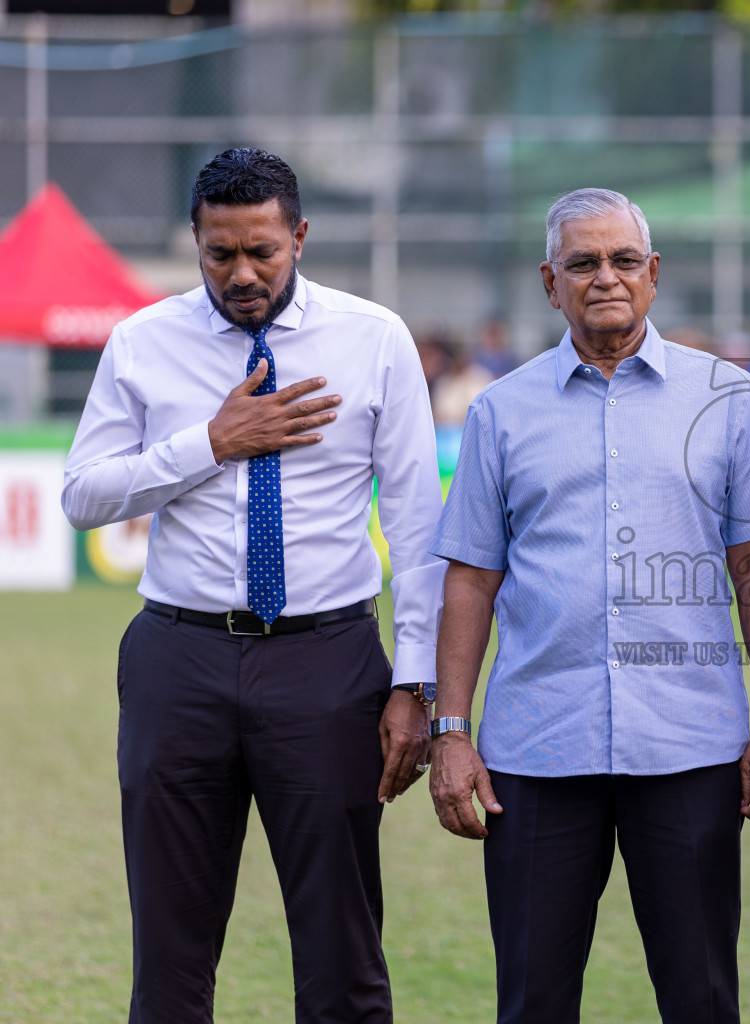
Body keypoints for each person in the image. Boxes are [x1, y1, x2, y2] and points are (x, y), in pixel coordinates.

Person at [61, 148, 445, 1023]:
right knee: (170, 955)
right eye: (219, 253)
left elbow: (422, 528)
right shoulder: (142, 341)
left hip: (329, 662)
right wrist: (211, 441)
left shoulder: (373, 338)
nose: (242, 273)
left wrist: (414, 685)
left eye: (262, 252)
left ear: (299, 236)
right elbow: (84, 494)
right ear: (194, 241)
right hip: (178, 661)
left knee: (343, 953)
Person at [427, 187, 750, 1024]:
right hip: (535, 756)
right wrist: (451, 733)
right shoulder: (500, 410)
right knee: (532, 1001)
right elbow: (470, 579)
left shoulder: (726, 399)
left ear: (654, 274)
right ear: (549, 282)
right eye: (583, 262)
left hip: (691, 751)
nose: (606, 277)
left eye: (624, 260)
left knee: (702, 998)